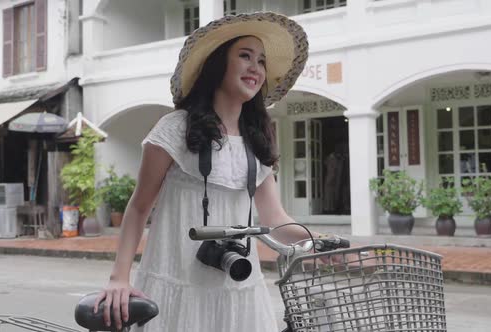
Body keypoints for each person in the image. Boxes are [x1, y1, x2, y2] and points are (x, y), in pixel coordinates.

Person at [94, 12, 326, 331]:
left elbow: (275, 220)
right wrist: (119, 278)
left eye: (261, 61)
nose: (255, 68)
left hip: (238, 292)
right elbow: (138, 208)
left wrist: (322, 240)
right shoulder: (175, 129)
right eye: (244, 56)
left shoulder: (257, 139)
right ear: (218, 65)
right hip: (176, 286)